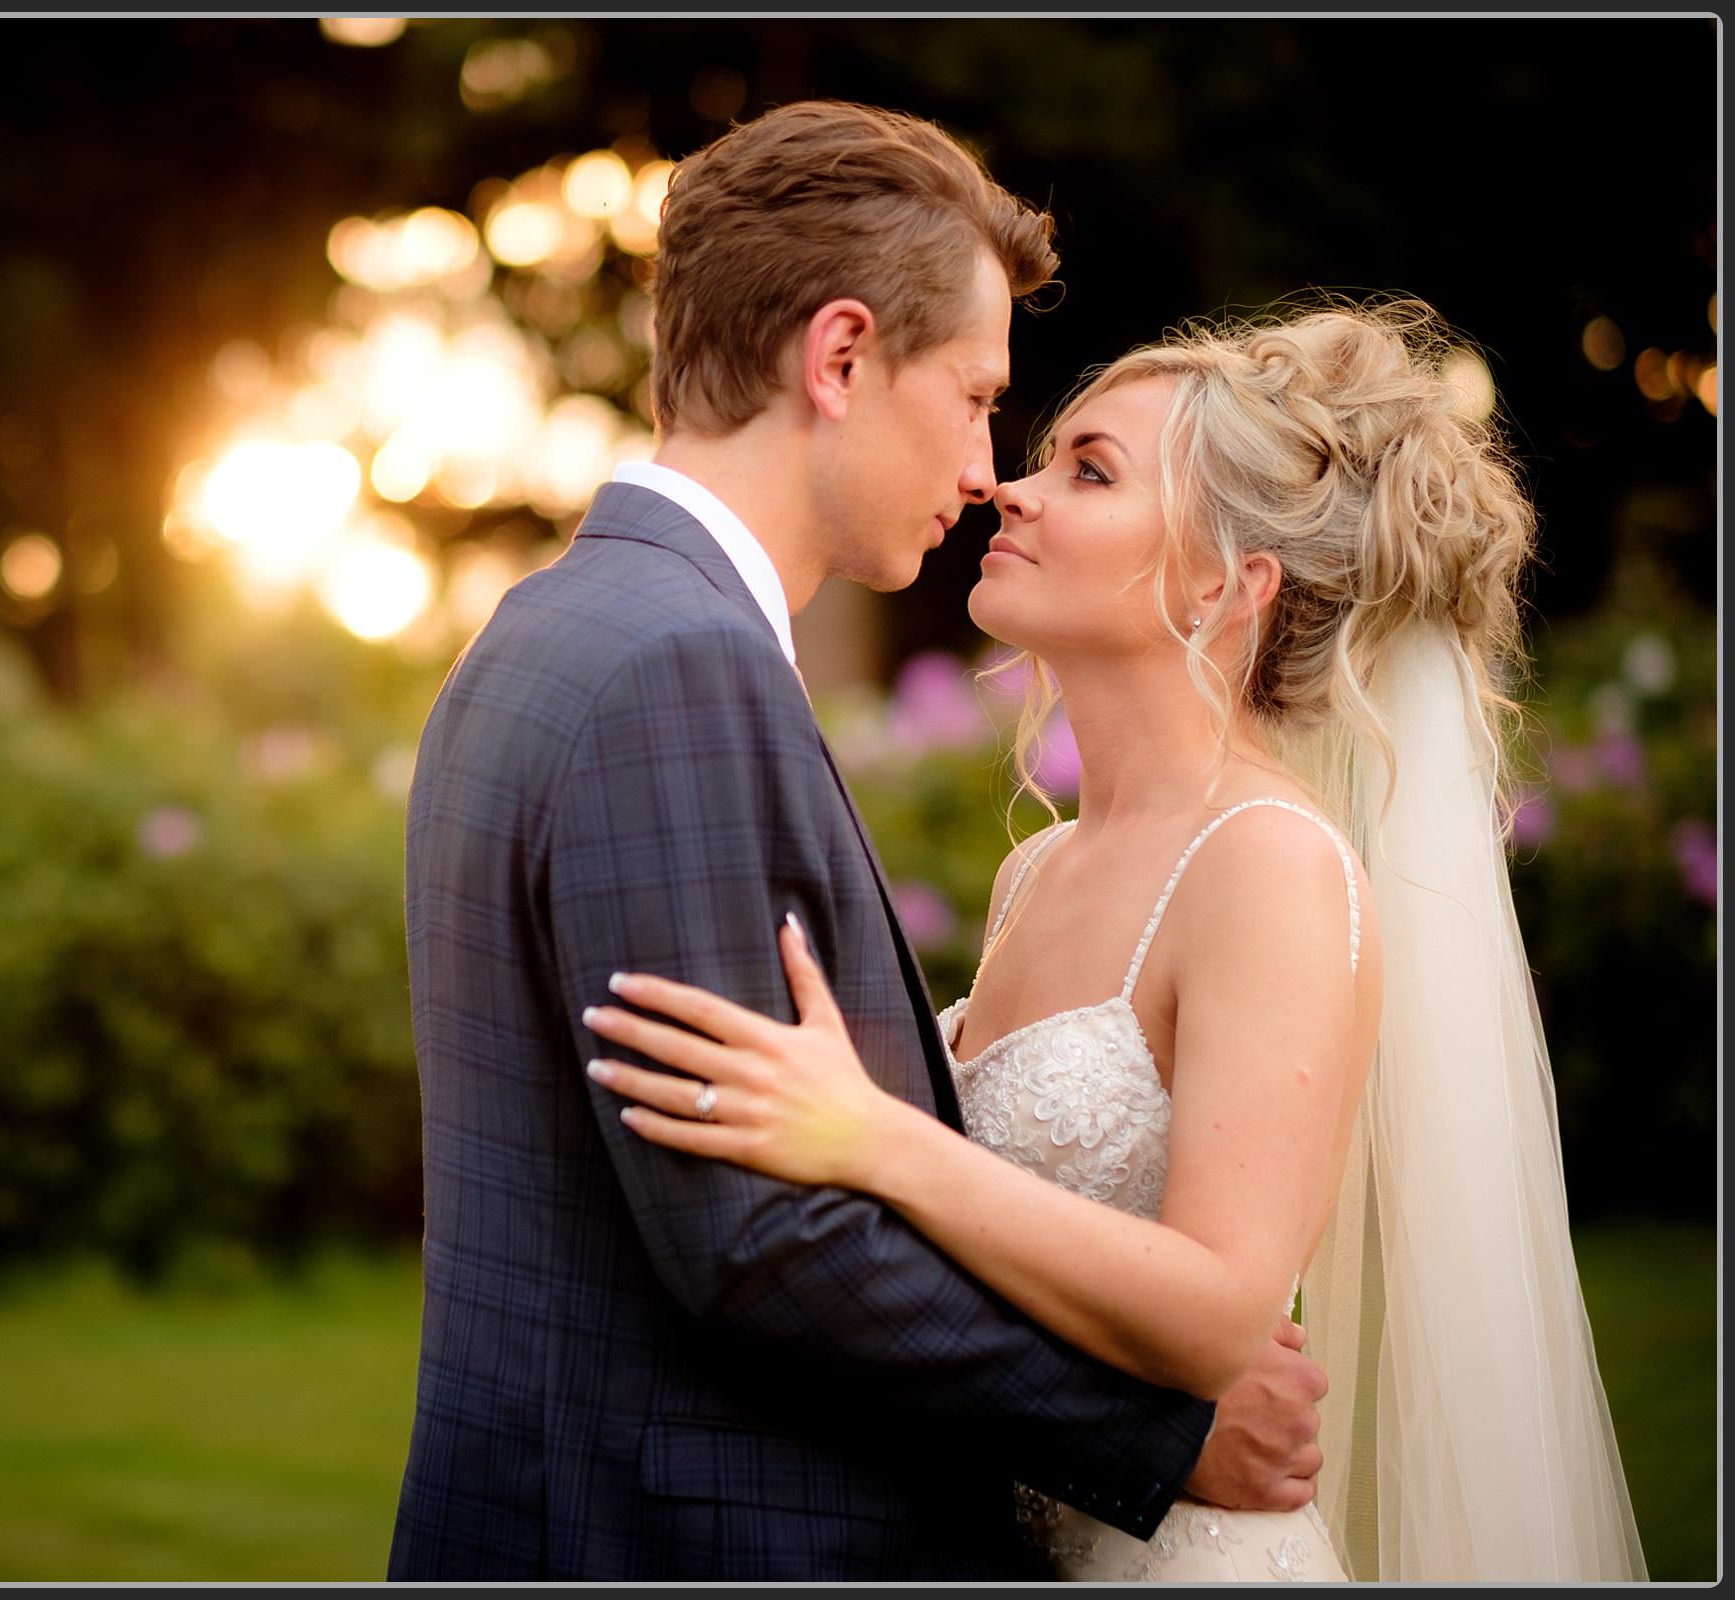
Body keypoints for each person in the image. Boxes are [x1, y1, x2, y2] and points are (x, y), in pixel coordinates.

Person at [387, 99, 1326, 1583]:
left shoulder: (548, 634)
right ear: (837, 359)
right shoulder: (671, 665)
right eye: (971, 396)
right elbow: (762, 1239)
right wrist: (1153, 1440)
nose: (984, 469)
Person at [585, 298, 1650, 1581]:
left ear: (1226, 582)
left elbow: (1218, 1312)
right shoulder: (1042, 866)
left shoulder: (1267, 863)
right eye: (1043, 457)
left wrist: (879, 1140)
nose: (1009, 492)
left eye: (1087, 471)